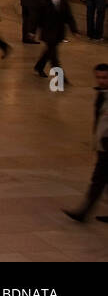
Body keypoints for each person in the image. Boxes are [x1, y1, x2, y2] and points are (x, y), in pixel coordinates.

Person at [63, 63, 108, 223]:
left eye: (104, 78)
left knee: (98, 180)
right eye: (98, 77)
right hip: (103, 144)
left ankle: (83, 212)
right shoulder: (102, 94)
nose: (101, 81)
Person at [34, 0, 79, 79]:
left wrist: (74, 30)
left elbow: (69, 17)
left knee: (48, 52)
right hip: (48, 33)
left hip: (58, 33)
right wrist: (31, 31)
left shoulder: (64, 3)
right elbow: (37, 19)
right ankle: (61, 77)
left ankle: (39, 66)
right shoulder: (44, 3)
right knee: (54, 56)